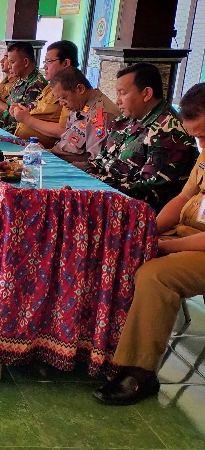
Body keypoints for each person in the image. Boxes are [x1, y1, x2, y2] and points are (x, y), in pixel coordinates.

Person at [94, 82, 205, 405]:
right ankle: (99, 346)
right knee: (122, 250)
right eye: (197, 137)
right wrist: (148, 234)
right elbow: (183, 197)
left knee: (156, 276)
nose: (200, 144)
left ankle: (140, 373)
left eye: (203, 136)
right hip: (186, 233)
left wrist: (165, 248)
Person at [87, 62, 197, 212]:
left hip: (134, 210)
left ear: (146, 94)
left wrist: (96, 183)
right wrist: (88, 177)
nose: (117, 100)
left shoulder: (168, 131)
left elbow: (152, 192)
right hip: (103, 194)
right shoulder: (126, 120)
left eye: (123, 93)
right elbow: (100, 161)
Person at [10, 40, 78, 148]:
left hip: (45, 150)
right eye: (44, 62)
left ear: (66, 63)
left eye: (49, 62)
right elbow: (39, 112)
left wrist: (27, 120)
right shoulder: (49, 87)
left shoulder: (73, 91)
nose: (45, 67)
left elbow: (64, 130)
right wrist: (21, 112)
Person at [48, 67, 120, 168]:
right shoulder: (79, 105)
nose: (61, 104)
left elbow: (94, 163)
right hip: (57, 159)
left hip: (71, 169)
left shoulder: (101, 115)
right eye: (59, 99)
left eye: (64, 98)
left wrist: (55, 166)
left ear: (80, 89)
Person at [0, 42, 45, 132]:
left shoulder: (36, 84)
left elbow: (19, 120)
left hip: (16, 134)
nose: (9, 66)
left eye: (12, 62)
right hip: (3, 129)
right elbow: (7, 113)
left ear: (26, 62)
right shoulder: (20, 81)